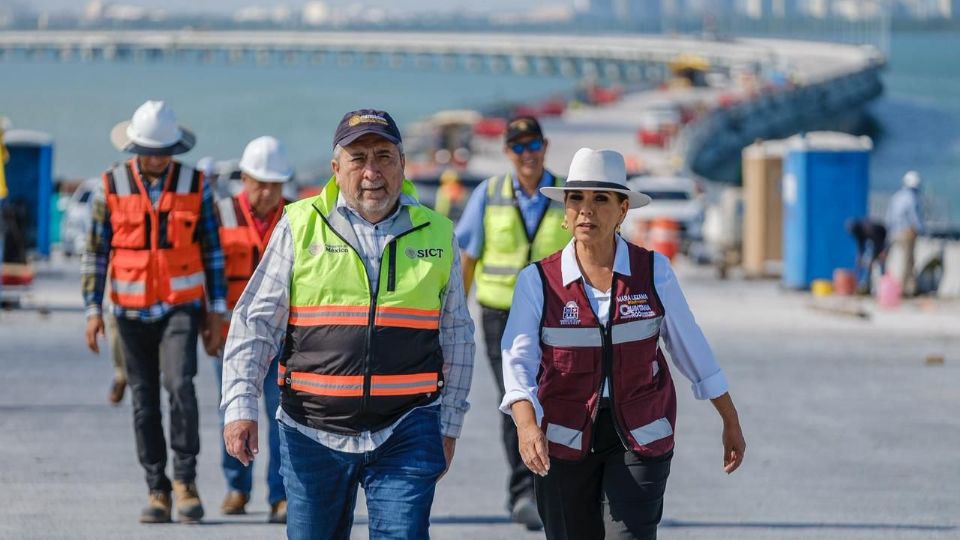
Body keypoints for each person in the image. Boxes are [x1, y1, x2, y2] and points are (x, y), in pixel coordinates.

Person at [220, 109, 475, 539]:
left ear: (402, 165)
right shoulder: (299, 225)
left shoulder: (437, 233)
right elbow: (255, 322)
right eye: (358, 159)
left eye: (384, 156)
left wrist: (447, 424)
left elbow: (457, 337)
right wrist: (241, 406)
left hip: (407, 429)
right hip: (311, 432)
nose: (372, 171)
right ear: (336, 169)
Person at [500, 148, 746, 540]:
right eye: (576, 199)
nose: (586, 211)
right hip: (562, 439)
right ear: (565, 211)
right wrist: (526, 426)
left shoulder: (653, 272)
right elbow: (518, 361)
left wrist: (729, 418)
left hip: (640, 434)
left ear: (623, 210)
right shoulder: (538, 281)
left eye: (601, 199)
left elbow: (691, 348)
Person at [81, 100, 226, 524]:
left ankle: (186, 481)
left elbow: (212, 253)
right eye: (150, 150)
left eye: (165, 151)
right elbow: (95, 254)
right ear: (134, 147)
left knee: (181, 387)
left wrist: (216, 313)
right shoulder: (110, 186)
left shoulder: (196, 185)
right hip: (128, 312)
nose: (158, 159)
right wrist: (92, 311)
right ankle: (156, 488)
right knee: (144, 401)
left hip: (180, 308)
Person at [455, 115, 570, 530]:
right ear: (507, 152)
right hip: (499, 315)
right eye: (518, 147)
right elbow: (467, 257)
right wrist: (456, 316)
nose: (527, 154)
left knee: (558, 399)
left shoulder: (567, 195)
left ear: (545, 146)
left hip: (557, 314)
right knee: (517, 399)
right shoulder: (490, 193)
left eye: (533, 145)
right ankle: (524, 492)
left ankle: (554, 486)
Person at [208, 136, 291, 522]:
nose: (268, 192)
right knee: (235, 412)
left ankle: (280, 495)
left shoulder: (295, 217)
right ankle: (237, 489)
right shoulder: (220, 214)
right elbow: (207, 274)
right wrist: (208, 322)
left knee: (282, 417)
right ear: (244, 178)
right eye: (261, 183)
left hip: (283, 340)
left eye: (275, 184)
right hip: (231, 336)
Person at [884, 170, 924, 297]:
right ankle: (905, 289)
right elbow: (914, 217)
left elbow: (889, 216)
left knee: (894, 261)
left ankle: (895, 287)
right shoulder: (912, 197)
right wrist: (921, 229)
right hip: (907, 233)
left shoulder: (896, 196)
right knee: (907, 261)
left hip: (893, 232)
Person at [845, 217, 887, 294]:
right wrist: (859, 257)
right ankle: (867, 287)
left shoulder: (869, 228)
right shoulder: (859, 232)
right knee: (867, 264)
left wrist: (878, 254)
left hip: (883, 237)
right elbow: (861, 245)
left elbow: (878, 243)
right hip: (875, 242)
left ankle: (883, 288)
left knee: (880, 265)